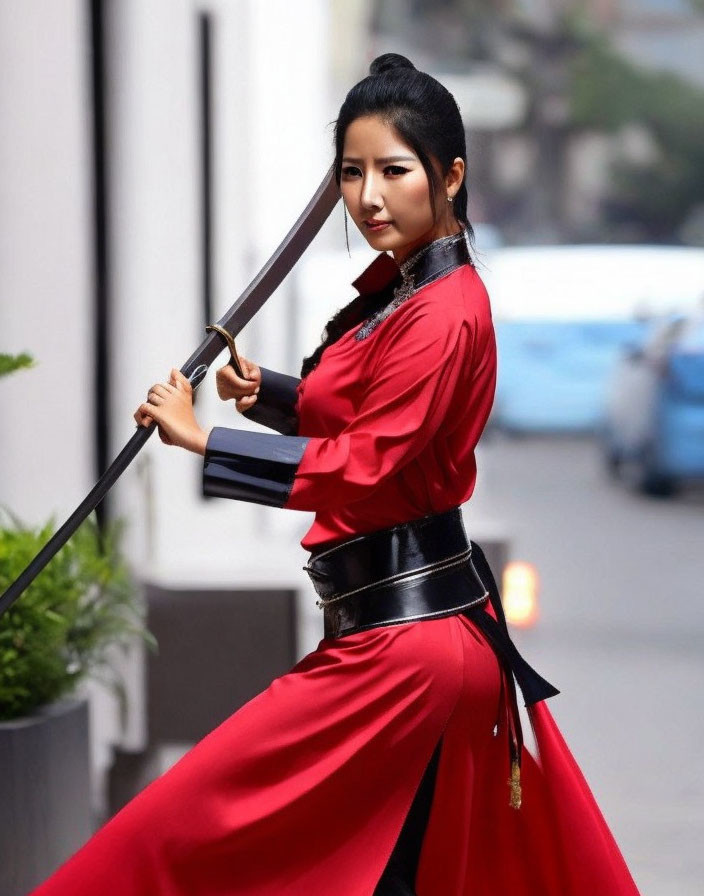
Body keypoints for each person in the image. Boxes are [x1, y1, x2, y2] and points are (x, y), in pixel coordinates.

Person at [30, 54, 641, 896]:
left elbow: (365, 462)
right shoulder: (407, 294)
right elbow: (370, 416)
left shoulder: (444, 309)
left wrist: (206, 443)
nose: (369, 197)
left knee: (182, 836)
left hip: (408, 651)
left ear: (451, 176)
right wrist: (271, 396)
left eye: (394, 170)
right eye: (352, 173)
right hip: (398, 639)